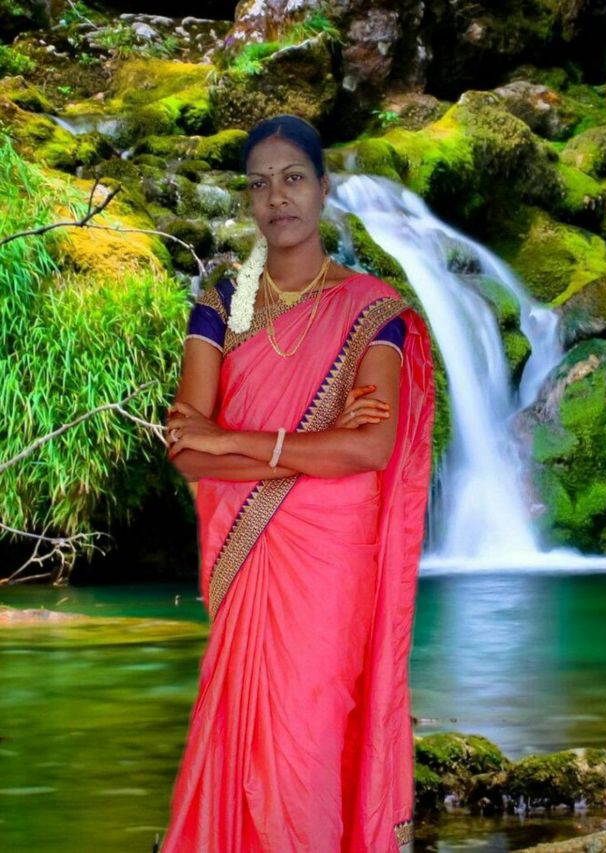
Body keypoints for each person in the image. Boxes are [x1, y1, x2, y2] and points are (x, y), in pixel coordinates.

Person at [162, 114, 436, 852]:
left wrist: (230, 438)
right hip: (246, 548)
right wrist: (315, 448)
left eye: (292, 179)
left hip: (333, 557)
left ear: (323, 188)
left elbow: (370, 446)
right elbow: (186, 452)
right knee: (241, 733)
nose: (276, 197)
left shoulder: (373, 310)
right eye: (259, 184)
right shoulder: (220, 303)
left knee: (310, 734)